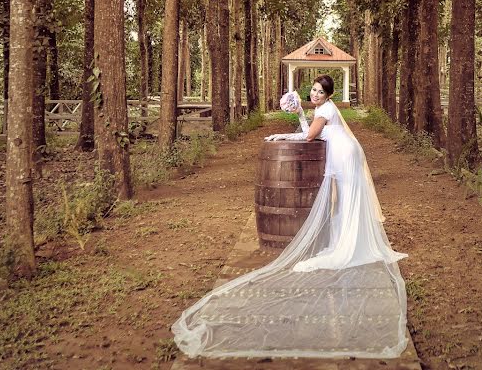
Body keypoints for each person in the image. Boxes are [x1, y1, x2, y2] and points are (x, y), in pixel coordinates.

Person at [172, 74, 408, 359]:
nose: (316, 94)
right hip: (343, 154)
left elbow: (310, 136)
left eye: (321, 91)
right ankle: (350, 237)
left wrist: (286, 132)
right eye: (314, 90)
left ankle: (350, 243)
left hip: (345, 156)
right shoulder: (321, 110)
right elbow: (312, 131)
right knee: (344, 201)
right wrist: (298, 114)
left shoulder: (325, 110)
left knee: (347, 200)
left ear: (329, 95)